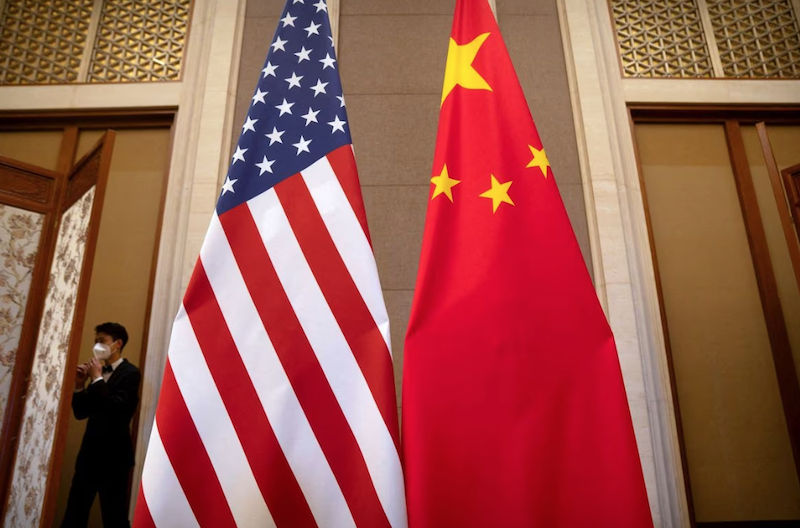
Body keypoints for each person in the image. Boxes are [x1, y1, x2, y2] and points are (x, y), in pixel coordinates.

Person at [62, 322, 141, 528]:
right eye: (95, 341)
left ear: (117, 344)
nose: (97, 346)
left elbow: (118, 412)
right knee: (74, 514)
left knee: (114, 517)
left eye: (102, 341)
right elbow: (81, 413)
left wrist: (97, 378)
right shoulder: (97, 372)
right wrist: (80, 385)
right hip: (88, 456)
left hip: (115, 459)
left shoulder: (130, 373)